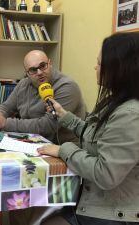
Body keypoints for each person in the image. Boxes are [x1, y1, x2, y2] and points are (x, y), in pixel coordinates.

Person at [38, 32, 139, 225]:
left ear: (119, 68)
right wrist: (63, 115)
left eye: (100, 63)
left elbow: (105, 174)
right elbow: (95, 135)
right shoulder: (115, 101)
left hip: (113, 213)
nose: (95, 67)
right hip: (92, 198)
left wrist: (63, 150)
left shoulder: (130, 114)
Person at [0, 50, 86, 144]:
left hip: (62, 148)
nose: (39, 72)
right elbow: (6, 107)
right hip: (31, 142)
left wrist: (5, 123)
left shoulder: (67, 86)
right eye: (33, 70)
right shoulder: (23, 84)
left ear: (50, 64)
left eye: (43, 66)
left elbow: (47, 125)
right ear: (27, 73)